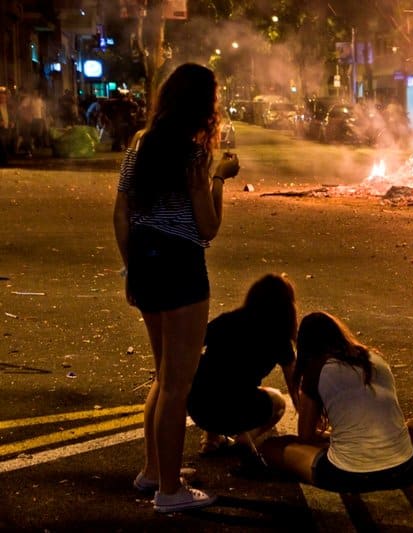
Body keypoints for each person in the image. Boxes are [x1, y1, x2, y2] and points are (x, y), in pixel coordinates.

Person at [113, 63, 240, 513]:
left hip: (145, 265)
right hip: (181, 268)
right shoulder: (191, 157)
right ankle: (170, 491)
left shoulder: (139, 148)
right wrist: (220, 180)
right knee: (176, 385)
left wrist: (132, 272)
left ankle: (153, 472)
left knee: (163, 374)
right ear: (202, 106)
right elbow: (207, 227)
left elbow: (121, 217)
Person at [260, 312, 413, 493]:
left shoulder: (316, 369)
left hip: (347, 475)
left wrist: (326, 437)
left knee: (272, 447)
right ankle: (404, 458)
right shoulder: (375, 358)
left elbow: (305, 436)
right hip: (402, 471)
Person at [187, 273, 299, 455]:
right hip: (238, 411)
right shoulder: (279, 338)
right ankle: (246, 438)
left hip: (199, 407)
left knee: (215, 377)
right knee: (278, 401)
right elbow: (294, 384)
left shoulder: (226, 320)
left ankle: (211, 440)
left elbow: (191, 346)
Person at [0, 87, 14, 166]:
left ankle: (5, 159)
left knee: (7, 143)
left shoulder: (8, 107)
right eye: (1, 98)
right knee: (2, 144)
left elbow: (11, 116)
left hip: (7, 128)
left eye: (3, 98)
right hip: (0, 128)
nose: (2, 99)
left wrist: (12, 122)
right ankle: (4, 160)